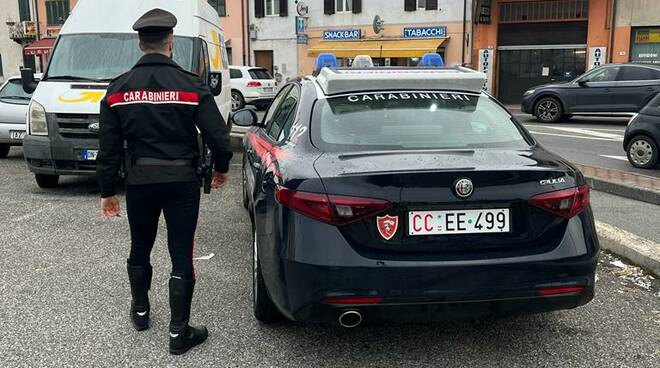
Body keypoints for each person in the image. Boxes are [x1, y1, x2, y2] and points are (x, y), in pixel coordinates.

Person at [96, 8, 233, 355]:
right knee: (180, 253)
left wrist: (107, 191)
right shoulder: (191, 85)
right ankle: (178, 332)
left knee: (140, 246)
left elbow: (108, 149)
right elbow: (218, 136)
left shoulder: (117, 89)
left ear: (140, 43)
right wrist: (221, 168)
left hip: (140, 181)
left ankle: (141, 313)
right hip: (181, 181)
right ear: (170, 42)